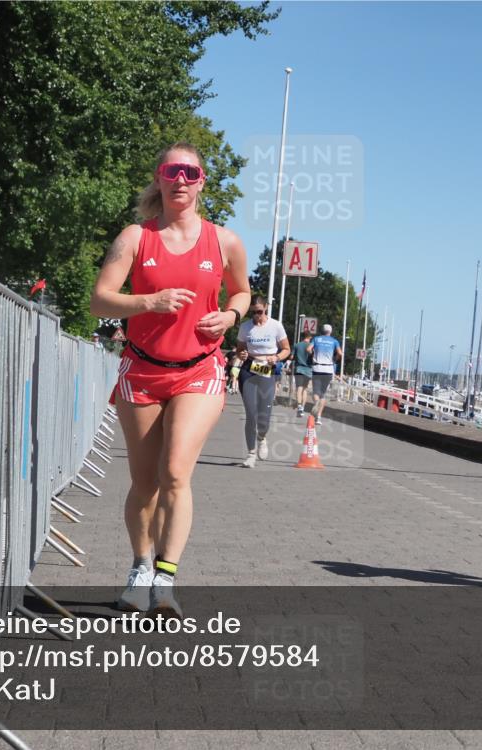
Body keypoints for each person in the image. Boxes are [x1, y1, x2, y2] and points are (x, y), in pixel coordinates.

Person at [90, 142, 251, 617]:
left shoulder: (224, 241)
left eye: (190, 172)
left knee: (175, 472)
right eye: (170, 171)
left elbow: (242, 291)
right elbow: (100, 300)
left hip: (199, 370)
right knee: (144, 483)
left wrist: (230, 314)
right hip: (141, 369)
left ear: (202, 181)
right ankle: (140, 568)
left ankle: (165, 579)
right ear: (159, 179)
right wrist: (147, 302)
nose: (180, 179)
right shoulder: (136, 237)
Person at [235, 296, 290, 468]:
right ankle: (251, 453)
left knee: (263, 415)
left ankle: (262, 437)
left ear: (266, 308)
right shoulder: (245, 327)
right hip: (249, 368)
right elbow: (239, 349)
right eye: (254, 312)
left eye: (259, 311)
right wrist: (241, 354)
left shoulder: (275, 326)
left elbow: (287, 349)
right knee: (251, 414)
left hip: (267, 368)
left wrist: (277, 357)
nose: (257, 316)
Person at [308, 323, 343, 426]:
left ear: (322, 331)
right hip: (328, 369)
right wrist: (334, 360)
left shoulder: (316, 339)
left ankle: (316, 403)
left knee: (316, 391)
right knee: (323, 393)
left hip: (317, 367)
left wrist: (313, 355)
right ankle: (318, 417)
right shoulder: (334, 341)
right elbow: (340, 353)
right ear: (330, 332)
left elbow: (308, 349)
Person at [293, 331, 314, 417]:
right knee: (305, 389)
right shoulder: (311, 346)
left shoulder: (297, 345)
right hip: (308, 370)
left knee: (299, 388)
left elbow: (291, 357)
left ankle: (299, 406)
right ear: (310, 337)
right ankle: (303, 408)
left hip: (299, 369)